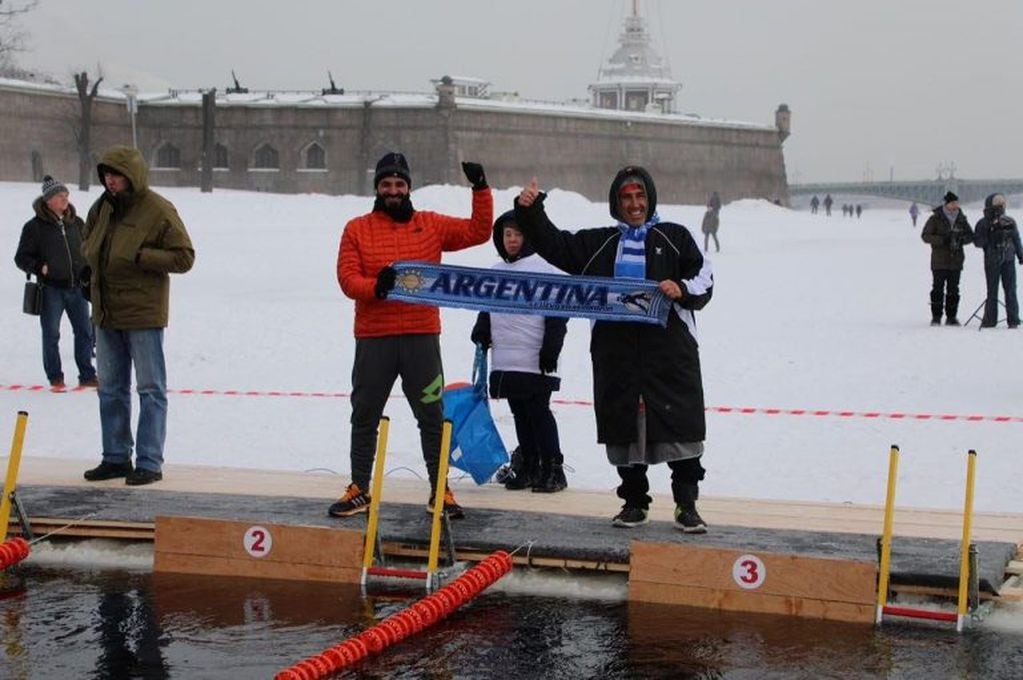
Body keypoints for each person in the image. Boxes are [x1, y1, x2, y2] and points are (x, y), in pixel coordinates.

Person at [514, 166, 713, 533]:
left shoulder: (675, 237)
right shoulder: (600, 243)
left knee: (679, 427)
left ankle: (687, 505)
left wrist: (680, 287)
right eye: (626, 198)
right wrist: (530, 211)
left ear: (650, 199)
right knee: (625, 427)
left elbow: (704, 276)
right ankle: (634, 502)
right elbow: (557, 246)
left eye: (640, 196)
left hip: (669, 354)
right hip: (617, 354)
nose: (634, 204)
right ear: (616, 203)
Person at [330, 152, 493, 519]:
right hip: (375, 338)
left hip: (421, 337)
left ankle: (440, 491)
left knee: (432, 415)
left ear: (408, 187)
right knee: (365, 413)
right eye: (386, 184)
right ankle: (360, 487)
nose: (393, 191)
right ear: (377, 188)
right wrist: (377, 287)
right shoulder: (356, 228)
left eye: (399, 184)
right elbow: (347, 279)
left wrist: (480, 187)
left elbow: (477, 231)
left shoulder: (430, 225)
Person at [80, 146, 195, 486]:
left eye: (116, 175)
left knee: (150, 389)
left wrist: (144, 256)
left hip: (143, 314)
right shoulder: (100, 208)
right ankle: (115, 457)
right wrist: (90, 271)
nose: (110, 181)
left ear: (133, 176)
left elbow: (184, 257)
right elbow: (88, 243)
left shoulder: (158, 209)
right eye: (106, 175)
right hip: (106, 312)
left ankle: (148, 461)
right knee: (111, 390)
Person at [470, 211, 569, 493]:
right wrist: (482, 331)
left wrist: (551, 346)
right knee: (520, 412)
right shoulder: (496, 271)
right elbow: (488, 308)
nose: (512, 240)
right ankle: (529, 465)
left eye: (517, 234)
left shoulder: (545, 268)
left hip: (536, 355)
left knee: (539, 411)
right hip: (506, 355)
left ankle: (553, 468)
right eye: (507, 235)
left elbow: (558, 312)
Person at [14, 175, 97, 390]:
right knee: (51, 334)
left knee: (85, 332)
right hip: (51, 289)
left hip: (77, 288)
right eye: (60, 196)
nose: (65, 199)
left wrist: (89, 270)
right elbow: (21, 257)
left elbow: (89, 249)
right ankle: (55, 377)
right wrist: (38, 266)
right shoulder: (34, 227)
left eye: (66, 195)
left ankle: (87, 375)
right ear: (49, 200)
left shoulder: (77, 223)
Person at [921, 191, 972, 326]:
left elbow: (970, 235)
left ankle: (951, 317)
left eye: (957, 203)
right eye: (953, 203)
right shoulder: (935, 219)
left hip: (956, 260)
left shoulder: (962, 219)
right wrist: (942, 240)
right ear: (947, 204)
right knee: (937, 288)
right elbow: (925, 236)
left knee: (953, 289)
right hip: (939, 260)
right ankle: (936, 317)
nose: (956, 205)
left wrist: (961, 240)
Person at [973, 193, 1022, 328]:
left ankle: (1013, 319)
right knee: (992, 290)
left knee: (1011, 289)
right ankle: (990, 319)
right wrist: (991, 236)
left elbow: (1016, 238)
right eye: (998, 204)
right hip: (992, 260)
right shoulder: (983, 223)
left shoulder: (1009, 221)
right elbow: (977, 241)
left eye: (1002, 204)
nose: (1001, 207)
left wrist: (1020, 254)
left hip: (1008, 259)